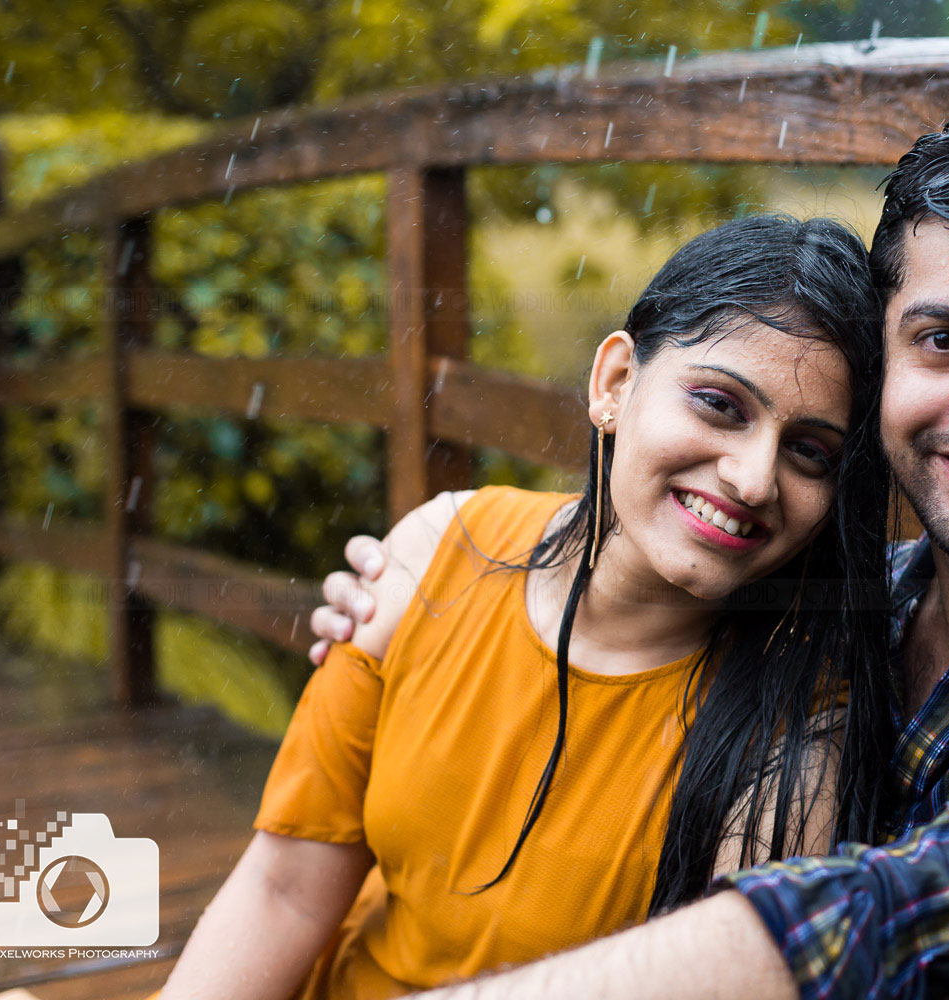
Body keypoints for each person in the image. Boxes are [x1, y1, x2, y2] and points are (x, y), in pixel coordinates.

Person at [313, 109, 949, 1000]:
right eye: (940, 340)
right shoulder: (826, 607)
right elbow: (632, 579)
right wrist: (436, 565)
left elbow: (931, 912)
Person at [156, 214, 901, 999]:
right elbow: (286, 887)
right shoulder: (438, 553)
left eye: (809, 451)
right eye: (720, 404)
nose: (753, 478)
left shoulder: (797, 735)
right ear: (614, 384)